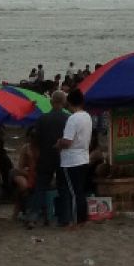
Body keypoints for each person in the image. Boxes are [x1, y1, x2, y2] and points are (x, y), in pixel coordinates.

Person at [26, 90, 68, 227]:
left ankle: (33, 217)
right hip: (62, 157)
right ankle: (63, 218)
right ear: (64, 103)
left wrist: (37, 154)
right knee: (63, 187)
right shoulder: (68, 119)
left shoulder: (42, 119)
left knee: (40, 187)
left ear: (51, 102)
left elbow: (35, 140)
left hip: (45, 156)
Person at [57, 88, 92, 228]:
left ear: (69, 102)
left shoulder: (73, 119)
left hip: (72, 160)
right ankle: (82, 220)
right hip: (83, 157)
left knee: (74, 193)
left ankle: (77, 221)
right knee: (80, 191)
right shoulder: (87, 116)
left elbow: (67, 142)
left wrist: (59, 143)